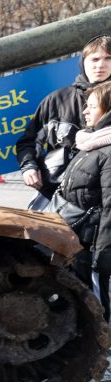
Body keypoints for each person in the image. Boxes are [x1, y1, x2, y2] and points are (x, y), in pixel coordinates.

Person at [17, 35, 111, 198]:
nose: (100, 65)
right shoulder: (56, 100)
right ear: (83, 63)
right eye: (94, 59)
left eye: (108, 58)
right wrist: (29, 167)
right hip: (57, 195)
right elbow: (28, 142)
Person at [52, 81, 111, 318]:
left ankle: (104, 348)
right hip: (80, 241)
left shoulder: (107, 150)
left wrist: (104, 254)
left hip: (95, 246)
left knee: (98, 304)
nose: (85, 111)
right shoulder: (92, 143)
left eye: (92, 106)